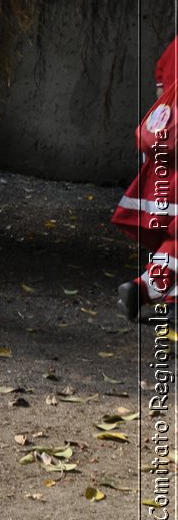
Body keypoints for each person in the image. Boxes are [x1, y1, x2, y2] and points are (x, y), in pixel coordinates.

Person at [111, 36, 176, 319]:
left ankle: (164, 298)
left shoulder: (174, 47)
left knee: (171, 234)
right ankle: (144, 288)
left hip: (166, 160)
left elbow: (162, 95)